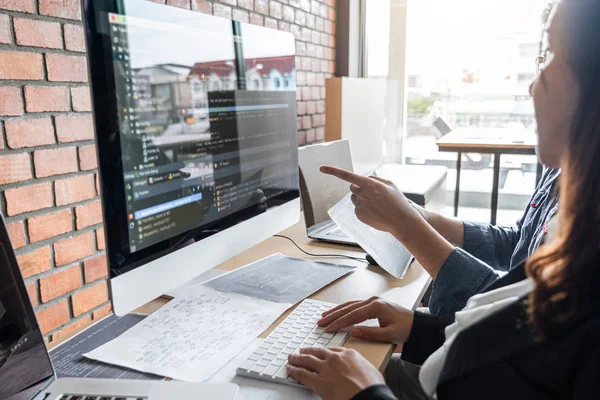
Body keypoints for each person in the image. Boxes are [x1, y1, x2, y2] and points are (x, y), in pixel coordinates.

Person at [286, 0, 600, 398]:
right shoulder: (564, 180)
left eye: (552, 53)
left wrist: (407, 225)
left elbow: (514, 331)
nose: (533, 83)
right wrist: (421, 329)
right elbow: (515, 256)